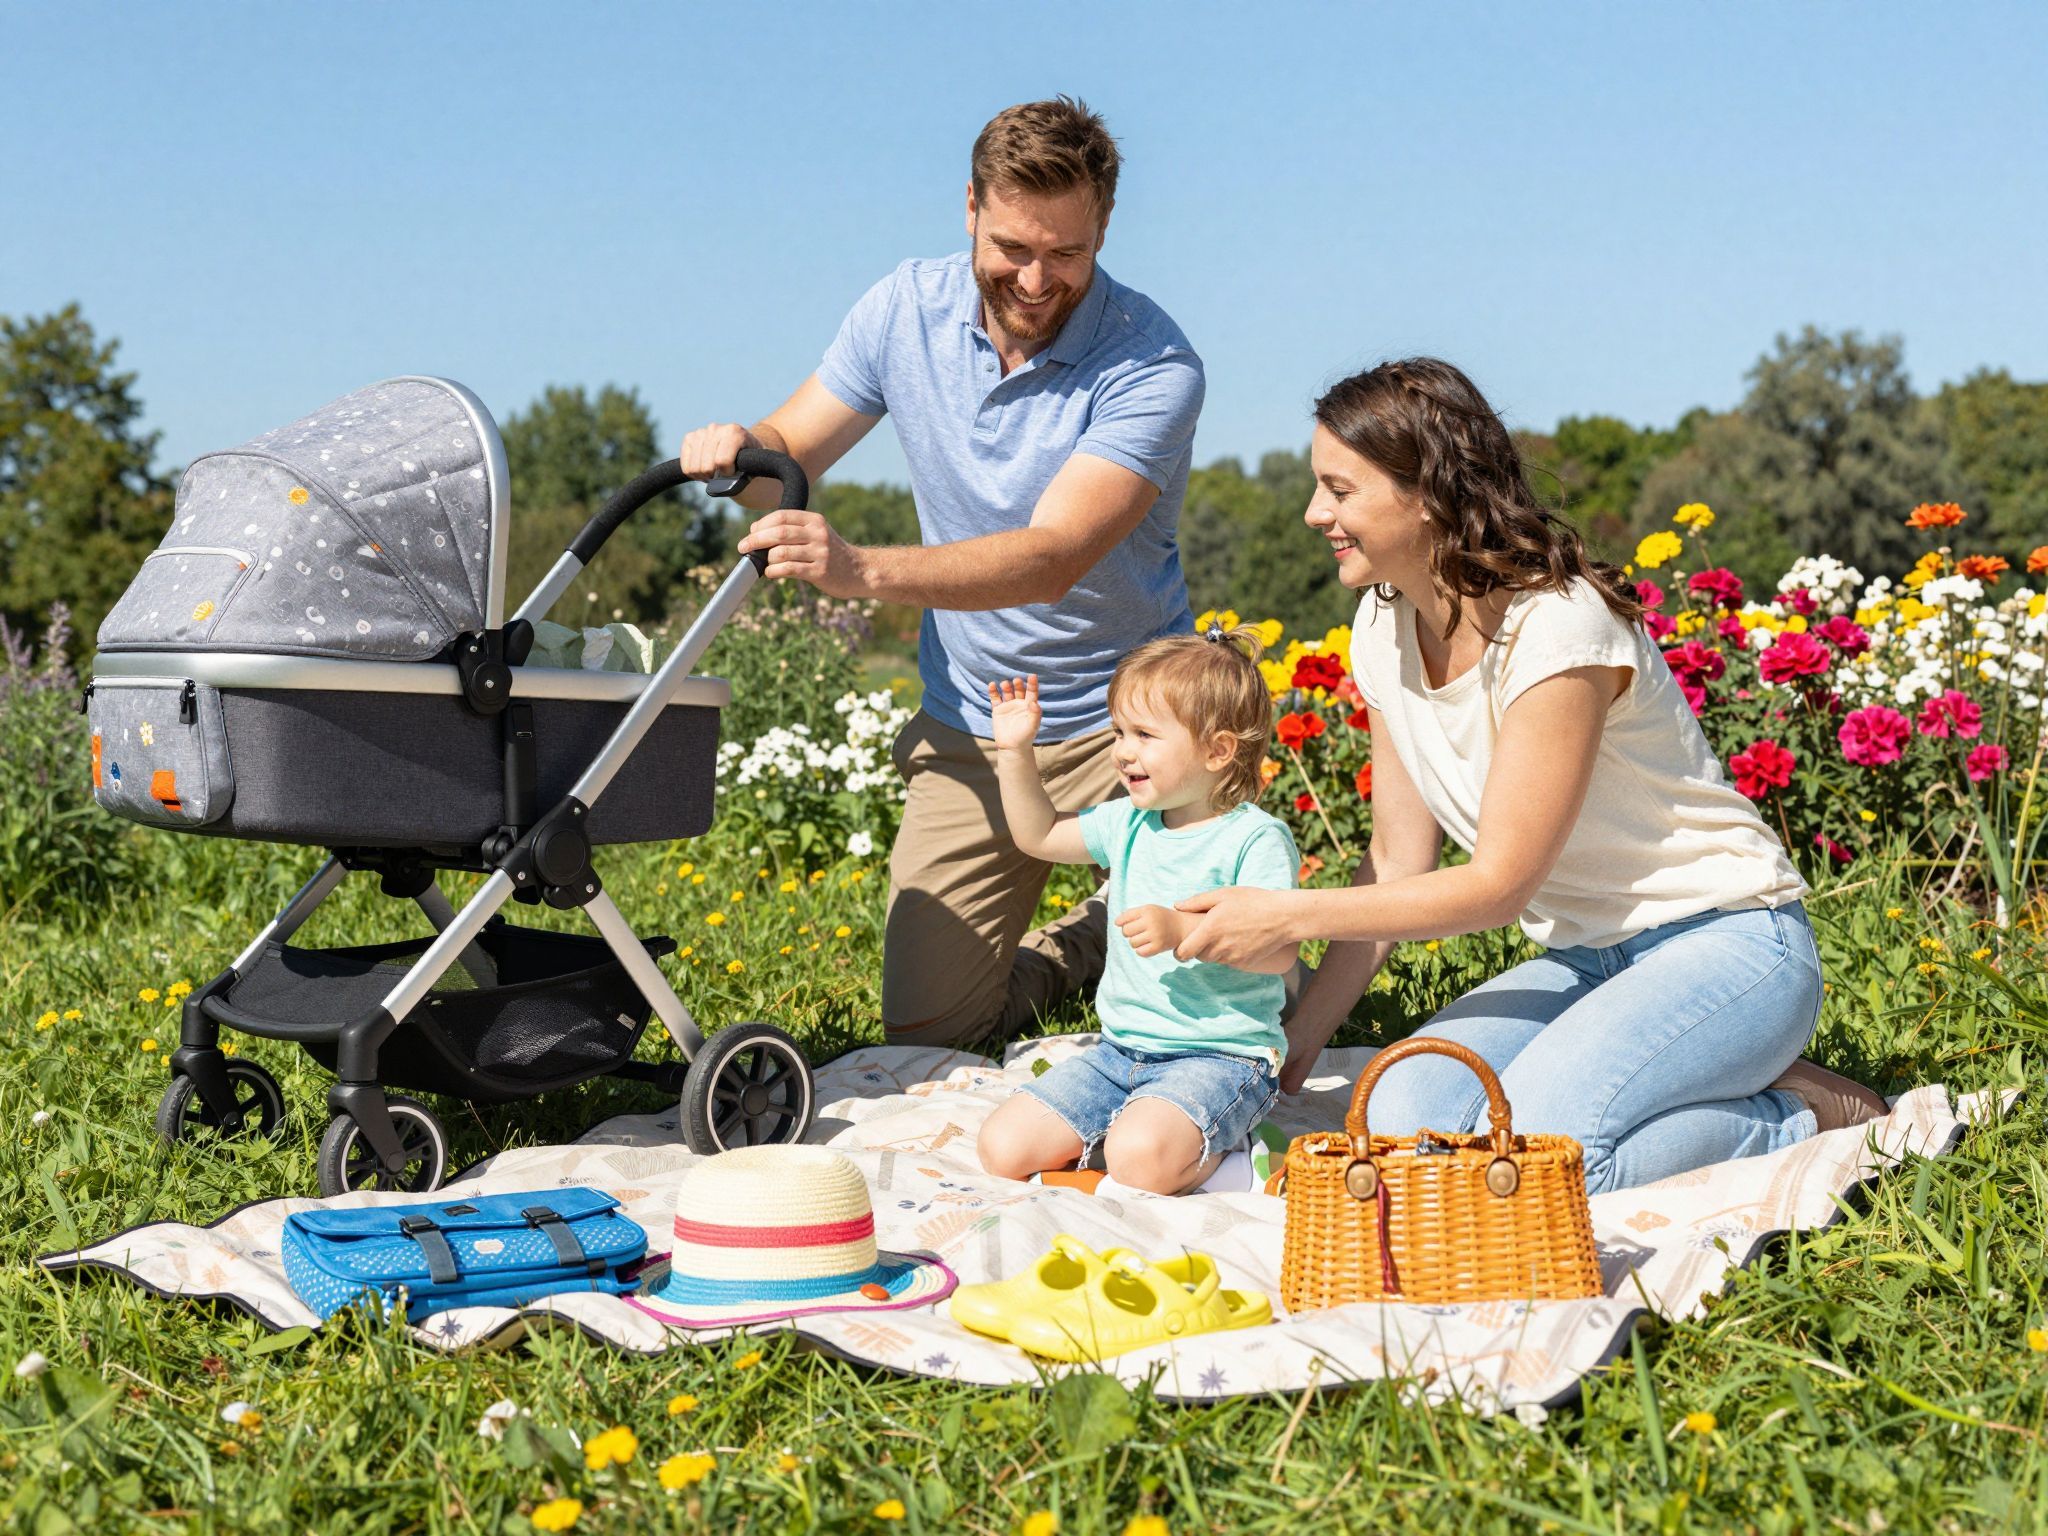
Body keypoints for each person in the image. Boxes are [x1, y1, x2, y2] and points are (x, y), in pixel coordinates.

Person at [1168, 358, 1887, 1196]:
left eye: (1339, 489)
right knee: (1401, 1122)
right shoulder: (1382, 624)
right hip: (1587, 961)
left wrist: (1283, 915)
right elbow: (1400, 859)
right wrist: (1303, 1037)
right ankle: (1688, 1069)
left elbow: (1500, 885)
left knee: (1547, 1159)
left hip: (1729, 944)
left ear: (1427, 494)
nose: (1314, 513)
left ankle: (1801, 1108)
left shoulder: (1557, 625)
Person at [678, 97, 1204, 1051]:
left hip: (1133, 717)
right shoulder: (902, 310)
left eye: (1067, 254)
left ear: (1103, 231)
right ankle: (1079, 947)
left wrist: (858, 567)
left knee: (1218, 991)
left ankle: (1144, 909)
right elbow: (791, 446)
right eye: (1012, 247)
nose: (1038, 280)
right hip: (976, 718)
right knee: (926, 1034)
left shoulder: (1153, 363)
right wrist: (739, 453)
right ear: (969, 205)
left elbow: (1053, 559)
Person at [975, 630, 1300, 1194]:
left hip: (1222, 1059)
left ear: (1218, 750)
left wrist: (1186, 931)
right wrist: (1015, 752)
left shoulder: (1255, 839)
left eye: (1145, 735)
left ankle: (1242, 1159)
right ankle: (1145, 1140)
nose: (1123, 750)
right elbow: (1040, 834)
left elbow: (1280, 952)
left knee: (1139, 1159)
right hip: (1118, 1052)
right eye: (1120, 731)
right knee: (1001, 1148)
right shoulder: (1128, 821)